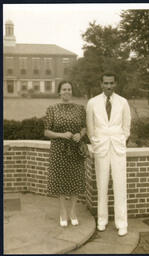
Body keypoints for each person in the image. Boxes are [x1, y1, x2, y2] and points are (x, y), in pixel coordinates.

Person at [86, 72, 131, 236]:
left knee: (120, 185)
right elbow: (90, 126)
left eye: (111, 83)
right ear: (101, 84)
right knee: (102, 184)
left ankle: (122, 223)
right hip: (101, 147)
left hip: (117, 148)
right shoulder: (92, 102)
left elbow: (126, 127)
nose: (109, 86)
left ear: (116, 83)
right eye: (106, 83)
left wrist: (121, 139)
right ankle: (102, 220)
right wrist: (95, 141)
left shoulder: (123, 102)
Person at [44, 80, 86, 227]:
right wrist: (62, 135)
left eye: (69, 89)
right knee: (61, 181)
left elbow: (84, 127)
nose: (67, 91)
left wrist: (80, 135)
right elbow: (46, 131)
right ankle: (62, 211)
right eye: (64, 89)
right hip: (59, 150)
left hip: (75, 149)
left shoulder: (80, 109)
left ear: (72, 91)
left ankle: (73, 211)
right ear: (59, 92)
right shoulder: (52, 109)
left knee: (75, 180)